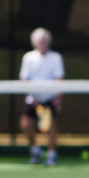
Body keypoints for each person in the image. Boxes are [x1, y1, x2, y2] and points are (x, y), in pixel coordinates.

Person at [18, 27, 64, 165]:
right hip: (33, 99)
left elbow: (59, 80)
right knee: (25, 125)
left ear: (49, 42)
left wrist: (58, 99)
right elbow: (24, 79)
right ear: (34, 43)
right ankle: (35, 150)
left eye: (45, 40)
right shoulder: (28, 57)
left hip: (49, 99)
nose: (42, 43)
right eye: (40, 41)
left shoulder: (55, 58)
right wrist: (32, 95)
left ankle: (51, 154)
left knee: (50, 127)